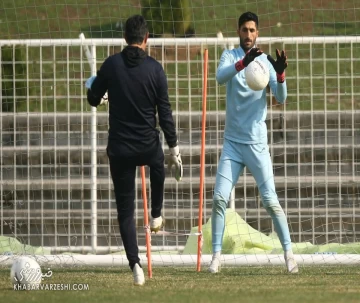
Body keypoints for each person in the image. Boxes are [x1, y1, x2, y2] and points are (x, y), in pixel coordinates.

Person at [85, 14, 183, 286]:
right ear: (147, 39)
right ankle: (156, 213)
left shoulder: (111, 65)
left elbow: (93, 98)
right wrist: (174, 147)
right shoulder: (155, 69)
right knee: (159, 165)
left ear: (125, 38)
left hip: (120, 149)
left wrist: (97, 92)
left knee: (125, 212)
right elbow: (165, 114)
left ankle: (135, 265)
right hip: (148, 146)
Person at [209, 11, 298, 274]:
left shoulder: (266, 62)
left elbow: (281, 98)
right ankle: (215, 256)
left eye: (252, 30)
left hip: (257, 145)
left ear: (257, 33)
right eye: (244, 30)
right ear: (238, 31)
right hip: (232, 145)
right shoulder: (230, 56)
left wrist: (280, 76)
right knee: (218, 199)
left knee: (270, 201)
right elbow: (219, 77)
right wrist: (242, 63)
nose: (248, 34)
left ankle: (289, 254)